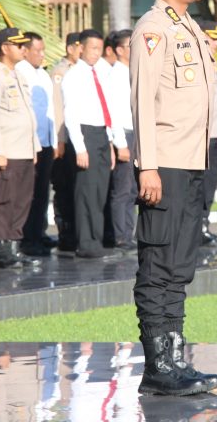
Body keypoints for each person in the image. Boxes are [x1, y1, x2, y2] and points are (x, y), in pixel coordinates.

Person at [130, 0, 217, 395]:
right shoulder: (152, 29)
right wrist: (147, 166)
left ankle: (176, 359)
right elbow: (142, 101)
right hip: (164, 164)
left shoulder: (189, 26)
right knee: (158, 264)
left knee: (180, 266)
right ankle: (158, 367)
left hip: (191, 162)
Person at [62, 29, 127, 259]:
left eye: (99, 49)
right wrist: (80, 148)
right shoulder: (73, 76)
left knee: (100, 191)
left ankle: (97, 240)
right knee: (87, 192)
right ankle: (87, 243)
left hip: (101, 134)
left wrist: (111, 142)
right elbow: (71, 115)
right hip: (85, 134)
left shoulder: (100, 73)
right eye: (92, 48)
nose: (96, 53)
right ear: (80, 48)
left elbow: (108, 110)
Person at [0, 28, 41, 268]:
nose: (23, 49)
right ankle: (3, 248)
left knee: (22, 200)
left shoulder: (18, 75)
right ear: (5, 48)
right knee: (4, 200)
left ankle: (15, 244)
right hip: (7, 150)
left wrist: (34, 148)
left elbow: (28, 114)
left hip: (23, 149)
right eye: (19, 45)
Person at [17, 32, 57, 256]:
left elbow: (50, 110)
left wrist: (54, 141)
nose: (42, 55)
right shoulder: (20, 72)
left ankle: (38, 233)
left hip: (46, 141)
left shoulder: (42, 74)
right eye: (37, 50)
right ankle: (27, 239)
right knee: (28, 193)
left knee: (42, 192)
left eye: (43, 50)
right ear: (25, 51)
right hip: (28, 143)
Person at [197, 21, 217, 247]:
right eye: (212, 39)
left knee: (210, 183)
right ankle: (196, 229)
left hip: (216, 134)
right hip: (202, 136)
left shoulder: (213, 63)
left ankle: (203, 225)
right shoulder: (196, 63)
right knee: (200, 184)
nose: (216, 44)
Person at [50, 32, 81, 251]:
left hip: (80, 138)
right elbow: (57, 108)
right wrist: (60, 140)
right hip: (66, 138)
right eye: (80, 47)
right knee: (64, 189)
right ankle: (65, 234)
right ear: (70, 49)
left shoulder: (83, 70)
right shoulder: (60, 72)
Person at [106, 29, 137, 252]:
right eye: (130, 46)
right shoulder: (115, 75)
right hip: (124, 134)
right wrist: (120, 143)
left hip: (136, 133)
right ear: (119, 50)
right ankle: (120, 236)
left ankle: (129, 233)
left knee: (133, 189)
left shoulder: (132, 72)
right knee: (122, 189)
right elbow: (114, 112)